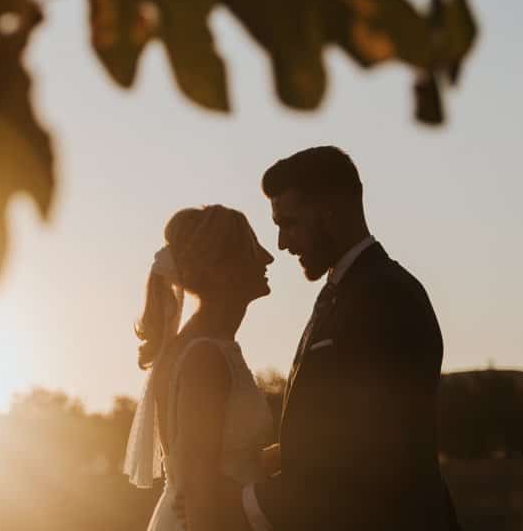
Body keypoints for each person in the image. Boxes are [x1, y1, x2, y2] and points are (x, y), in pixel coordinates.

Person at [186, 145, 460, 531]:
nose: (281, 244)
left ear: (332, 210)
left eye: (290, 223)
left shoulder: (387, 297)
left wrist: (241, 502)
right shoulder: (345, 291)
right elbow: (330, 433)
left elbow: (368, 455)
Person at [124, 204, 277, 531]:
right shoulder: (204, 357)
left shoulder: (201, 347)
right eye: (251, 248)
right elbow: (200, 491)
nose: (267, 257)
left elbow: (231, 464)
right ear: (222, 269)